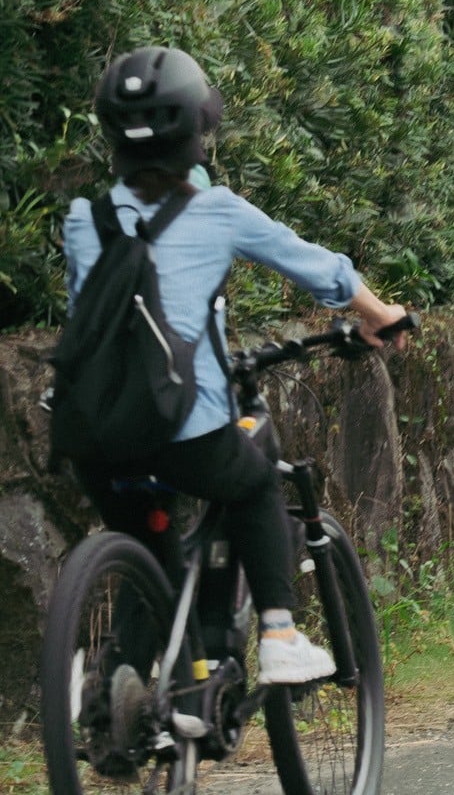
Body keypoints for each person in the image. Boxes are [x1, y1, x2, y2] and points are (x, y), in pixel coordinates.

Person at [63, 47, 410, 685]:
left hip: (96, 437)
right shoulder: (215, 210)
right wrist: (377, 312)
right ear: (200, 125)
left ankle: (124, 701)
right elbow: (316, 266)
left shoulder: (85, 221)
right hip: (181, 429)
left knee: (153, 565)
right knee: (251, 484)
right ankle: (279, 634)